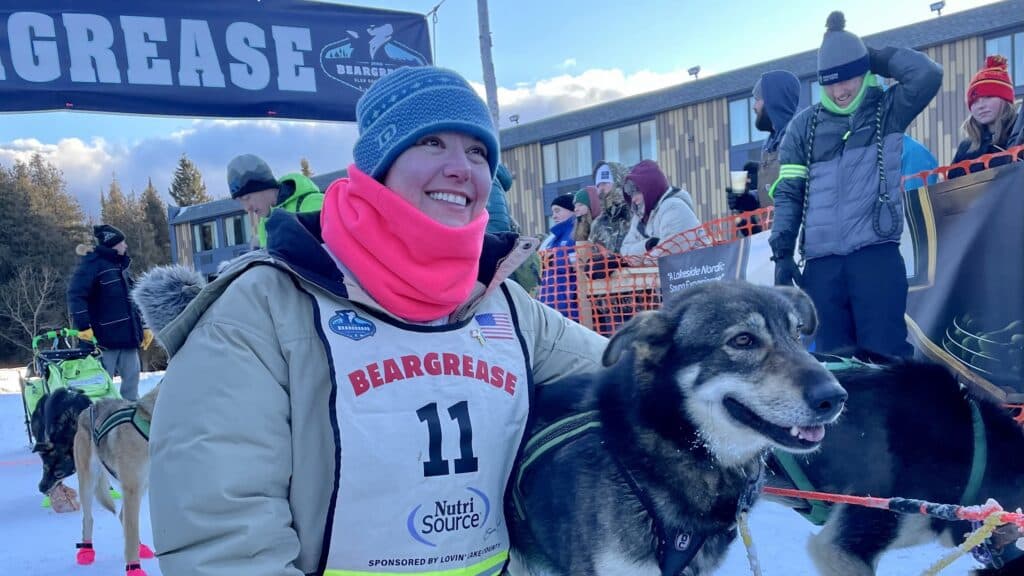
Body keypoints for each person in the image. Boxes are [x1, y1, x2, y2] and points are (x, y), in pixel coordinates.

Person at [146, 66, 606, 575]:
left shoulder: (505, 307)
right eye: (431, 142)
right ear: (379, 165)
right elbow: (223, 539)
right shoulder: (262, 308)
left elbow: (632, 375)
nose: (462, 167)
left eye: (478, 151)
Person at [770, 11, 942, 358]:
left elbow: (928, 74)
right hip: (822, 266)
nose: (841, 89)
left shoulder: (889, 109)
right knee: (833, 365)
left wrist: (874, 57)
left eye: (849, 77)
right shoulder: (803, 128)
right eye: (831, 82)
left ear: (864, 72)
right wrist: (783, 252)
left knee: (886, 360)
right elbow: (789, 195)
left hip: (875, 257)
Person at [66, 224, 152, 400]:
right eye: (122, 242)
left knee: (131, 390)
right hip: (103, 343)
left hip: (128, 340)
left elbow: (134, 301)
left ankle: (130, 423)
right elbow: (75, 295)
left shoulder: (122, 268)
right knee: (101, 392)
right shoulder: (92, 265)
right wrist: (84, 327)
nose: (125, 246)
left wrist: (144, 326)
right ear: (112, 244)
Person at [226, 154, 325, 247]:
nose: (247, 208)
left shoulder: (314, 203)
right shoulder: (265, 225)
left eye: (246, 198)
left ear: (262, 186)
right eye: (241, 201)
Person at [950, 55, 1020, 175]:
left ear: (1005, 99)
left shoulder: (1020, 135)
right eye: (974, 101)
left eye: (988, 97)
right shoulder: (966, 148)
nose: (980, 105)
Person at [620, 160, 701, 255]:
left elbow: (666, 255)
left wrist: (637, 259)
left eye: (636, 192)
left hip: (696, 268)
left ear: (650, 188)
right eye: (630, 194)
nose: (633, 199)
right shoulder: (639, 218)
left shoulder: (674, 208)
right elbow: (625, 252)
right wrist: (646, 245)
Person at [752, 70, 801, 206]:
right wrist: (752, 199)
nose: (754, 107)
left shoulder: (798, 138)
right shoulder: (770, 143)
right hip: (775, 226)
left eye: (757, 100)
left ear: (773, 102)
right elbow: (774, 192)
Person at [538, 194, 578, 320]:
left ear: (571, 210)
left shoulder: (576, 233)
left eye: (557, 210)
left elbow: (576, 265)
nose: (554, 216)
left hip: (568, 306)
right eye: (553, 212)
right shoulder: (553, 238)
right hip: (551, 304)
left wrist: (553, 258)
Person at [587, 160, 632, 253]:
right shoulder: (598, 224)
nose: (600, 190)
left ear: (619, 184)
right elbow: (593, 257)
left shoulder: (637, 215)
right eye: (598, 185)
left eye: (605, 183)